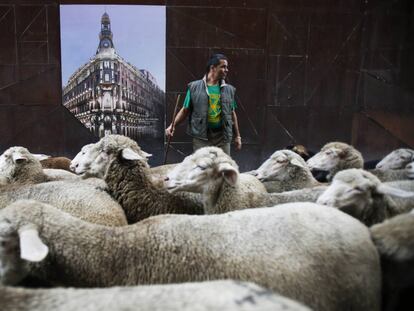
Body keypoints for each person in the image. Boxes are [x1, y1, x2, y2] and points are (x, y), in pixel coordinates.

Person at [165, 53, 242, 155]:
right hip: (201, 137)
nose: (227, 70)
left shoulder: (229, 89)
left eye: (227, 67)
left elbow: (232, 113)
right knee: (202, 167)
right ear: (213, 68)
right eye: (223, 67)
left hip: (222, 137)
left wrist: (238, 136)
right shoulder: (194, 87)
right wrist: (172, 126)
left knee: (223, 167)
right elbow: (185, 110)